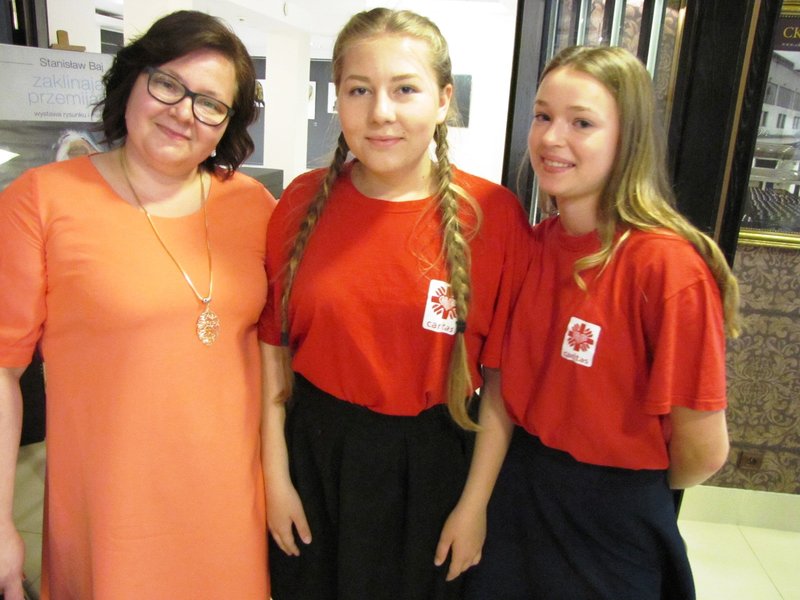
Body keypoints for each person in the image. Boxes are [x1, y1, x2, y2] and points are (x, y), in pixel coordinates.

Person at [0, 10, 275, 599]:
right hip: (112, 518)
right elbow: (2, 371)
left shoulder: (254, 206)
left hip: (229, 512)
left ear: (227, 125)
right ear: (130, 81)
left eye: (210, 103)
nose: (184, 112)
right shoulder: (41, 200)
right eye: (168, 84)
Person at [258, 8, 531, 600]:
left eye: (405, 89)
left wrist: (475, 505)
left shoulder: (494, 216)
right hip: (315, 460)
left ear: (444, 100)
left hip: (436, 467)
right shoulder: (300, 202)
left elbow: (501, 381)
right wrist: (275, 480)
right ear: (337, 99)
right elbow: (272, 354)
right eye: (359, 90)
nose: (381, 112)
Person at [465, 45, 741, 600]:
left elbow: (702, 453)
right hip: (518, 495)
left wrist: (614, 485)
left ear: (627, 139)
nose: (551, 138)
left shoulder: (666, 267)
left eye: (582, 123)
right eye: (543, 116)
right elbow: (501, 388)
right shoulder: (532, 247)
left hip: (612, 520)